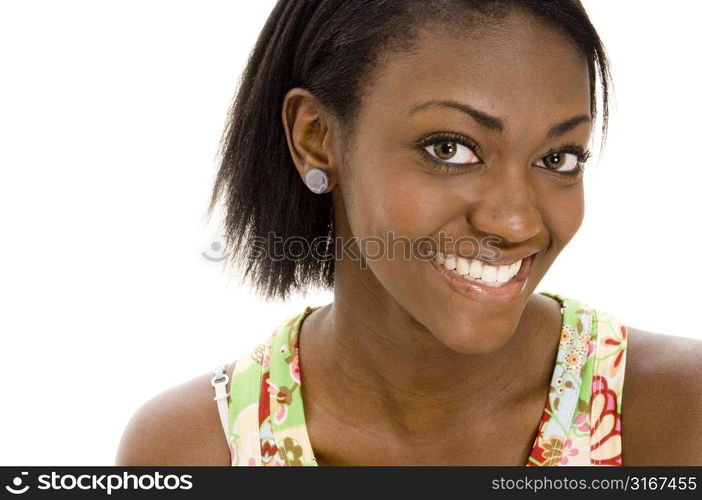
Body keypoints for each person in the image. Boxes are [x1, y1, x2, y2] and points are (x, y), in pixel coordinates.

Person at [116, 0, 702, 466]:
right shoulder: (194, 452)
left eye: (560, 158)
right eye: (450, 149)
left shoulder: (675, 414)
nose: (517, 222)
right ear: (316, 137)